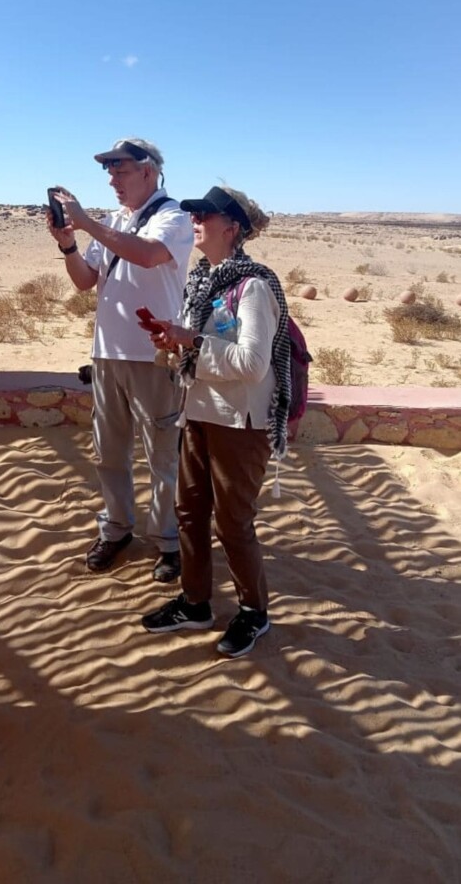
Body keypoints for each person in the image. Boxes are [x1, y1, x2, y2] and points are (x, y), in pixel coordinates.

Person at [141, 186, 292, 657]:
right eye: (194, 214)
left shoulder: (254, 287)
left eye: (205, 215)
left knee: (233, 522)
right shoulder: (200, 281)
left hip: (240, 422)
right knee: (188, 513)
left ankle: (254, 612)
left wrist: (192, 342)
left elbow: (253, 364)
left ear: (233, 228)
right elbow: (193, 348)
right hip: (200, 413)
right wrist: (172, 343)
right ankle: (195, 602)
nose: (196, 221)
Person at [47, 138, 193, 582]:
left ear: (148, 170)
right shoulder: (114, 222)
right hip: (108, 353)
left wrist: (88, 223)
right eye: (109, 171)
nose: (112, 179)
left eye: (121, 170)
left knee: (163, 454)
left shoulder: (174, 217)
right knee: (109, 452)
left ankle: (169, 542)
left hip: (156, 357)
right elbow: (85, 282)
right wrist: (69, 245)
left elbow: (148, 256)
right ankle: (116, 529)